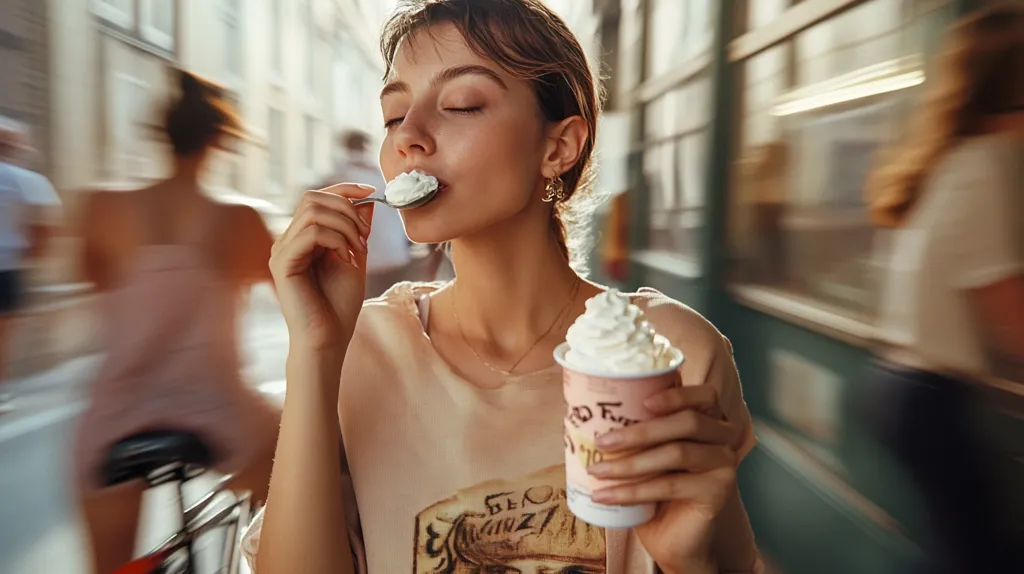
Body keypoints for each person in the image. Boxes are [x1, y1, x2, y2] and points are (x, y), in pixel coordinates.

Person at [245, 1, 762, 572]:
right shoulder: (354, 350)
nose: (408, 137)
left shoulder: (670, 352)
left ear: (558, 147)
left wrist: (692, 562)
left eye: (462, 104)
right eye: (394, 116)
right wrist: (314, 352)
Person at [72, 70, 281, 574]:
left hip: (117, 411)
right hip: (218, 406)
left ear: (161, 133)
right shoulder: (243, 220)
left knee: (110, 569)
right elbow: (300, 300)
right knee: (312, 480)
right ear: (218, 141)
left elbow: (94, 278)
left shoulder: (100, 208)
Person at [862, 6, 1023, 574]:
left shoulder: (944, 160)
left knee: (960, 548)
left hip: (898, 388)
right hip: (930, 400)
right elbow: (1009, 315)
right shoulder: (984, 166)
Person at [0, 117, 61, 406]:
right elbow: (45, 229)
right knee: (3, 336)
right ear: (16, 146)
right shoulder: (30, 181)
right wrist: (34, 262)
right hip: (8, 268)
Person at [320, 129, 419, 298]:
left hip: (368, 260)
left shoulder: (338, 176)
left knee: (369, 311)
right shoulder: (382, 172)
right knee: (397, 307)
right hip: (396, 253)